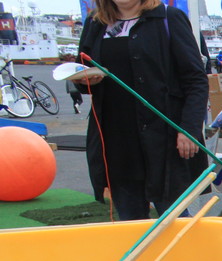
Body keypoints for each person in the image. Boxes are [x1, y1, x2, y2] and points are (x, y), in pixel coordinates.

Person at [76, 0, 208, 221]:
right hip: (118, 143)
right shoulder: (95, 22)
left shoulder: (168, 18)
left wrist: (189, 129)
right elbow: (80, 73)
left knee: (174, 221)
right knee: (131, 223)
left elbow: (196, 80)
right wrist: (87, 79)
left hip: (164, 141)